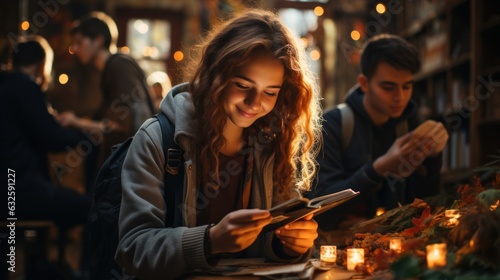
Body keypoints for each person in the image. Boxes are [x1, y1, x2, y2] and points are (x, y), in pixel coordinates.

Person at [115, 10, 322, 279]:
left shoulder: (272, 144)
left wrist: (290, 245)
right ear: (216, 76)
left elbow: (271, 245)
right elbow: (132, 250)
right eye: (242, 85)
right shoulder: (158, 139)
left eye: (270, 92)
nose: (255, 102)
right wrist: (210, 241)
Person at [311, 34, 449, 230]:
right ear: (364, 83)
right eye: (388, 87)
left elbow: (424, 205)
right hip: (341, 251)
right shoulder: (332, 124)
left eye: (407, 86)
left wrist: (433, 157)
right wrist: (377, 170)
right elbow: (318, 209)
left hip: (397, 249)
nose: (400, 97)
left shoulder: (410, 124)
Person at [0, 38, 91, 228]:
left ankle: (41, 256)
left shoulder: (6, 85)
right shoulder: (26, 87)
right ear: (42, 65)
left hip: (9, 189)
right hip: (20, 191)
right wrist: (84, 136)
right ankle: (50, 257)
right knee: (93, 207)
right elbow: (52, 139)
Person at [69, 11, 155, 192]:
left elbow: (122, 126)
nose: (74, 49)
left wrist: (74, 121)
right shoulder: (110, 69)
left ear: (98, 40)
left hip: (131, 171)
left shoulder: (119, 66)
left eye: (79, 42)